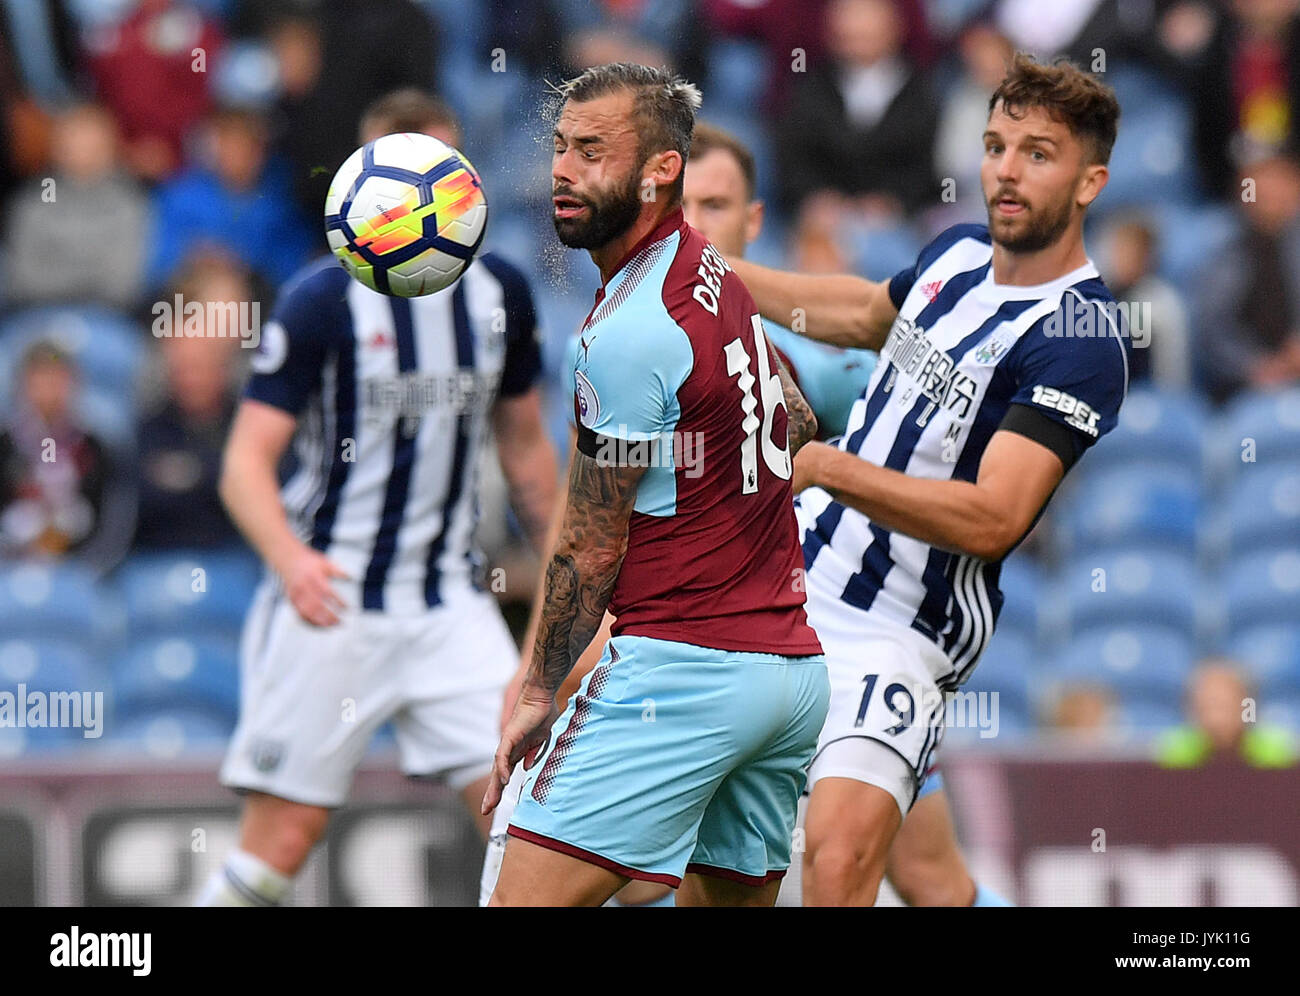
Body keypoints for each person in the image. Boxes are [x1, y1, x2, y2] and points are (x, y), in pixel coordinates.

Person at [729, 53, 1129, 905]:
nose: (1006, 171)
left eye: (1038, 153)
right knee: (777, 870)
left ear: (1090, 180)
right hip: (788, 582)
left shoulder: (1083, 340)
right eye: (995, 146)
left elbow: (993, 517)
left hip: (898, 633)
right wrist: (713, 279)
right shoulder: (955, 256)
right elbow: (861, 314)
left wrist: (829, 467)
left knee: (835, 866)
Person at [195, 89, 557, 907]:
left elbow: (527, 447)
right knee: (278, 847)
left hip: (450, 605)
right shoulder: (320, 300)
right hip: (337, 599)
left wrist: (566, 580)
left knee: (532, 829)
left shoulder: (501, 294)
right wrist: (290, 561)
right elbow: (245, 461)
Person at [482, 62, 828, 908]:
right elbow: (798, 417)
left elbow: (593, 545)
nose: (562, 170)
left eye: (592, 151)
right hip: (788, 677)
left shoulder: (628, 331)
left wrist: (537, 688)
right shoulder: (715, 271)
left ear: (660, 170)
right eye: (560, 147)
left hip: (682, 673)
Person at [0, 340, 135, 575]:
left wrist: (90, 566)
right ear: (23, 385)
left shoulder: (94, 446)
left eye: (57, 377)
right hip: (11, 567)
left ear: (73, 383)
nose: (48, 388)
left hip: (79, 567)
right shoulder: (6, 445)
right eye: (39, 378)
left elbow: (111, 517)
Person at [1157, 659, 1297, 769]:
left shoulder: (1275, 754)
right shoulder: (1176, 753)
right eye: (1208, 707)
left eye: (1225, 706)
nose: (1217, 718)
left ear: (1247, 706)